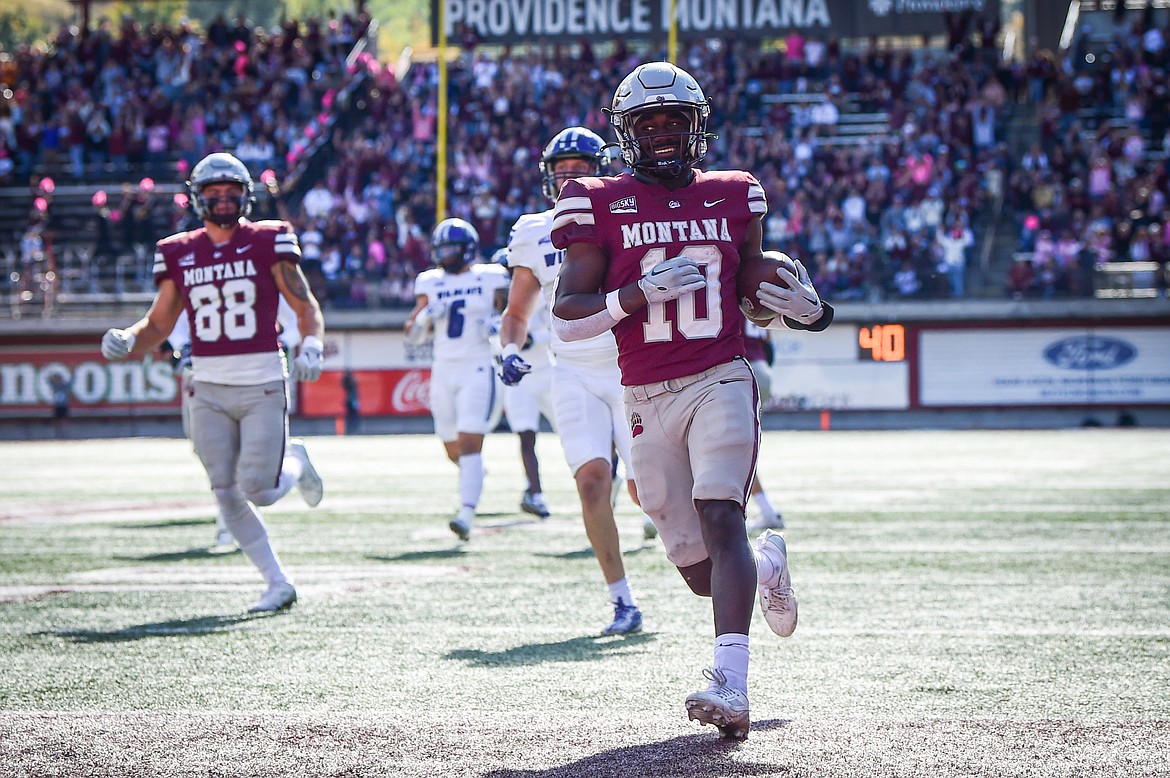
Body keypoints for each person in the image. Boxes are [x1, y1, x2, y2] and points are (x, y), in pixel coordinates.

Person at [550, 63, 833, 738]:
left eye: (673, 119)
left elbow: (750, 295)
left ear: (697, 126)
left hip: (719, 374)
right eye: (647, 123)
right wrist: (637, 295)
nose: (662, 133)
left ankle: (730, 683)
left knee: (720, 512)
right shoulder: (597, 200)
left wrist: (806, 311)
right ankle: (766, 564)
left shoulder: (735, 194)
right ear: (626, 133)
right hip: (644, 389)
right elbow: (567, 317)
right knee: (698, 570)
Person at [100, 151, 326, 614]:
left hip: (262, 378)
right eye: (213, 194)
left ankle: (297, 465)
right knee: (224, 489)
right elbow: (159, 324)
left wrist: (312, 345)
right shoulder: (179, 250)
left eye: (231, 193)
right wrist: (129, 337)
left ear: (246, 196)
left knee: (257, 489)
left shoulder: (270, 239)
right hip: (207, 385)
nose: (223, 201)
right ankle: (277, 582)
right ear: (197, 199)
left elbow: (306, 307)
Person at [497, 126, 650, 636]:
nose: (569, 182)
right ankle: (622, 600)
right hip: (572, 370)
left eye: (579, 172)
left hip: (632, 366)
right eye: (561, 174)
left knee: (648, 491)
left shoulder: (628, 210)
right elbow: (517, 311)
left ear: (601, 170)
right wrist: (509, 349)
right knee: (590, 483)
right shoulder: (532, 229)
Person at [165, 294, 303, 550]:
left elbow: (297, 319)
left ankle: (230, 526)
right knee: (216, 459)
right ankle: (230, 524)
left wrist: (279, 343)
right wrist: (183, 347)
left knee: (253, 479)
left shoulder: (261, 266)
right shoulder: (196, 268)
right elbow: (170, 320)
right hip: (207, 379)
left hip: (255, 379)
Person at [405, 218, 510, 541]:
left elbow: (514, 313)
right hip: (443, 368)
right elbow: (411, 335)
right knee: (452, 448)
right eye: (442, 249)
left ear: (467, 250)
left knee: (469, 443)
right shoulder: (430, 282)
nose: (445, 255)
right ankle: (475, 476)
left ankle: (466, 514)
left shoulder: (491, 277)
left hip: (477, 366)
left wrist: (497, 325)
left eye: (451, 249)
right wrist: (425, 316)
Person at [490, 248, 554, 520]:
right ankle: (535, 492)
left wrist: (533, 340)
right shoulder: (492, 310)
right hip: (521, 381)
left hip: (547, 371)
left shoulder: (539, 295)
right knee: (525, 437)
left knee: (578, 433)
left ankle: (608, 478)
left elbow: (558, 330)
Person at [743, 319, 784, 531]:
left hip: (742, 369)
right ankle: (766, 510)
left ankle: (765, 510)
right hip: (762, 368)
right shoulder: (752, 296)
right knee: (740, 448)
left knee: (734, 450)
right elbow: (769, 343)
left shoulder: (726, 289)